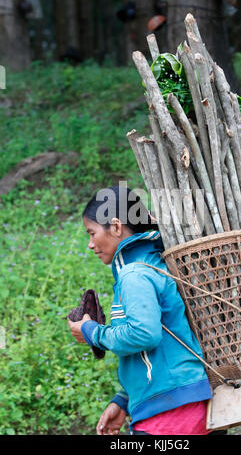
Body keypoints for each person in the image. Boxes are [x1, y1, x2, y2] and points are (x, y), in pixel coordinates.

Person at [68, 185, 216, 436]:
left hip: (171, 413)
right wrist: (123, 400)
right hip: (181, 402)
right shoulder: (149, 265)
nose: (90, 244)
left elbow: (144, 335)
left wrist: (92, 332)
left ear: (115, 227)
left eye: (92, 233)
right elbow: (162, 346)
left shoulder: (135, 274)